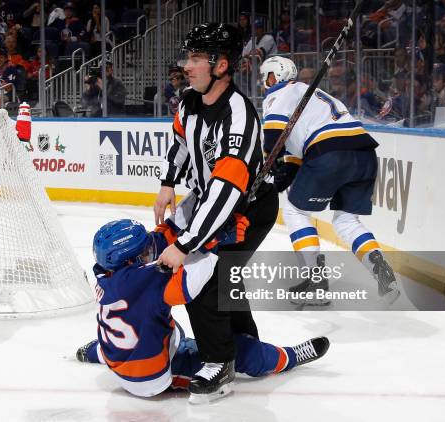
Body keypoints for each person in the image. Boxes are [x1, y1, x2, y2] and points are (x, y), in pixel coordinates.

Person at [154, 23, 279, 402]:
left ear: (221, 65)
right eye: (187, 57)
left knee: (201, 276)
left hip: (248, 209)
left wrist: (187, 244)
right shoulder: (190, 100)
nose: (186, 66)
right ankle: (246, 346)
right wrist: (167, 182)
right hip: (216, 201)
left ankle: (220, 363)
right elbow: (180, 143)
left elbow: (226, 192)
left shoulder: (238, 117)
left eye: (195, 59)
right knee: (224, 274)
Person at [76, 219, 330, 400]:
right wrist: (216, 241)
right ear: (129, 260)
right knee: (235, 351)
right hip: (152, 375)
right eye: (143, 252)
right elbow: (194, 275)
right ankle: (290, 356)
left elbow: (155, 254)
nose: (149, 253)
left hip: (120, 356)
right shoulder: (150, 280)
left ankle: (96, 352)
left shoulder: (106, 275)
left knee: (140, 325)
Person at [259, 56, 399, 306]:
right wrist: (279, 179)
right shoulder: (316, 95)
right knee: (346, 219)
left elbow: (273, 136)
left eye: (265, 77)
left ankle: (316, 282)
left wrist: (266, 169)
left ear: (273, 77)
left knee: (294, 211)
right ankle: (380, 267)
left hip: (328, 152)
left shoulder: (279, 95)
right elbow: (294, 154)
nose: (264, 84)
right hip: (364, 153)